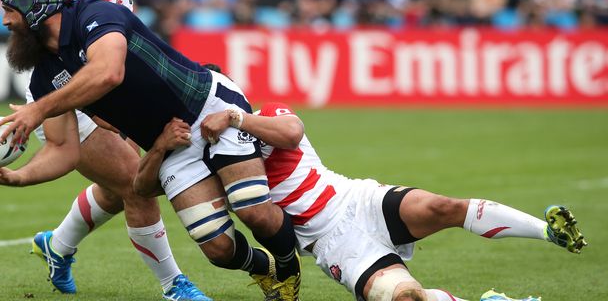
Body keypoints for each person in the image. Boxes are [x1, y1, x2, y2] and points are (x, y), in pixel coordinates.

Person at [0, 0, 302, 301]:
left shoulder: (95, 14)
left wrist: (38, 110)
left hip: (209, 107)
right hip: (169, 144)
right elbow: (65, 149)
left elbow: (109, 72)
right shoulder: (44, 77)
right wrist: (18, 177)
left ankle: (287, 269)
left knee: (252, 210)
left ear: (36, 9)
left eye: (11, 10)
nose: (5, 21)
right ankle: (267, 266)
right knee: (217, 248)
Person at [0, 0, 210, 301]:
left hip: (101, 81)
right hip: (65, 91)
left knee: (119, 186)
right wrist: (95, 106)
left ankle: (58, 245)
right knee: (138, 184)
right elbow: (62, 65)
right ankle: (174, 286)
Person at [134, 98, 587, 301]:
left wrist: (234, 116)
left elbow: (294, 131)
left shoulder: (260, 116)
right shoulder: (206, 161)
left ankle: (547, 231)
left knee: (442, 207)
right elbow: (147, 188)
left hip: (357, 199)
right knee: (407, 298)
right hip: (334, 245)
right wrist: (159, 147)